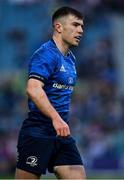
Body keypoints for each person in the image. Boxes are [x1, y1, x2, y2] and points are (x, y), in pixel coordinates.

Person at [15, 6, 86, 179]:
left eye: (82, 26)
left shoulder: (70, 58)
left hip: (61, 134)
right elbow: (33, 89)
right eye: (75, 25)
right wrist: (56, 118)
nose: (81, 30)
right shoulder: (45, 54)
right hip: (38, 132)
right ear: (58, 27)